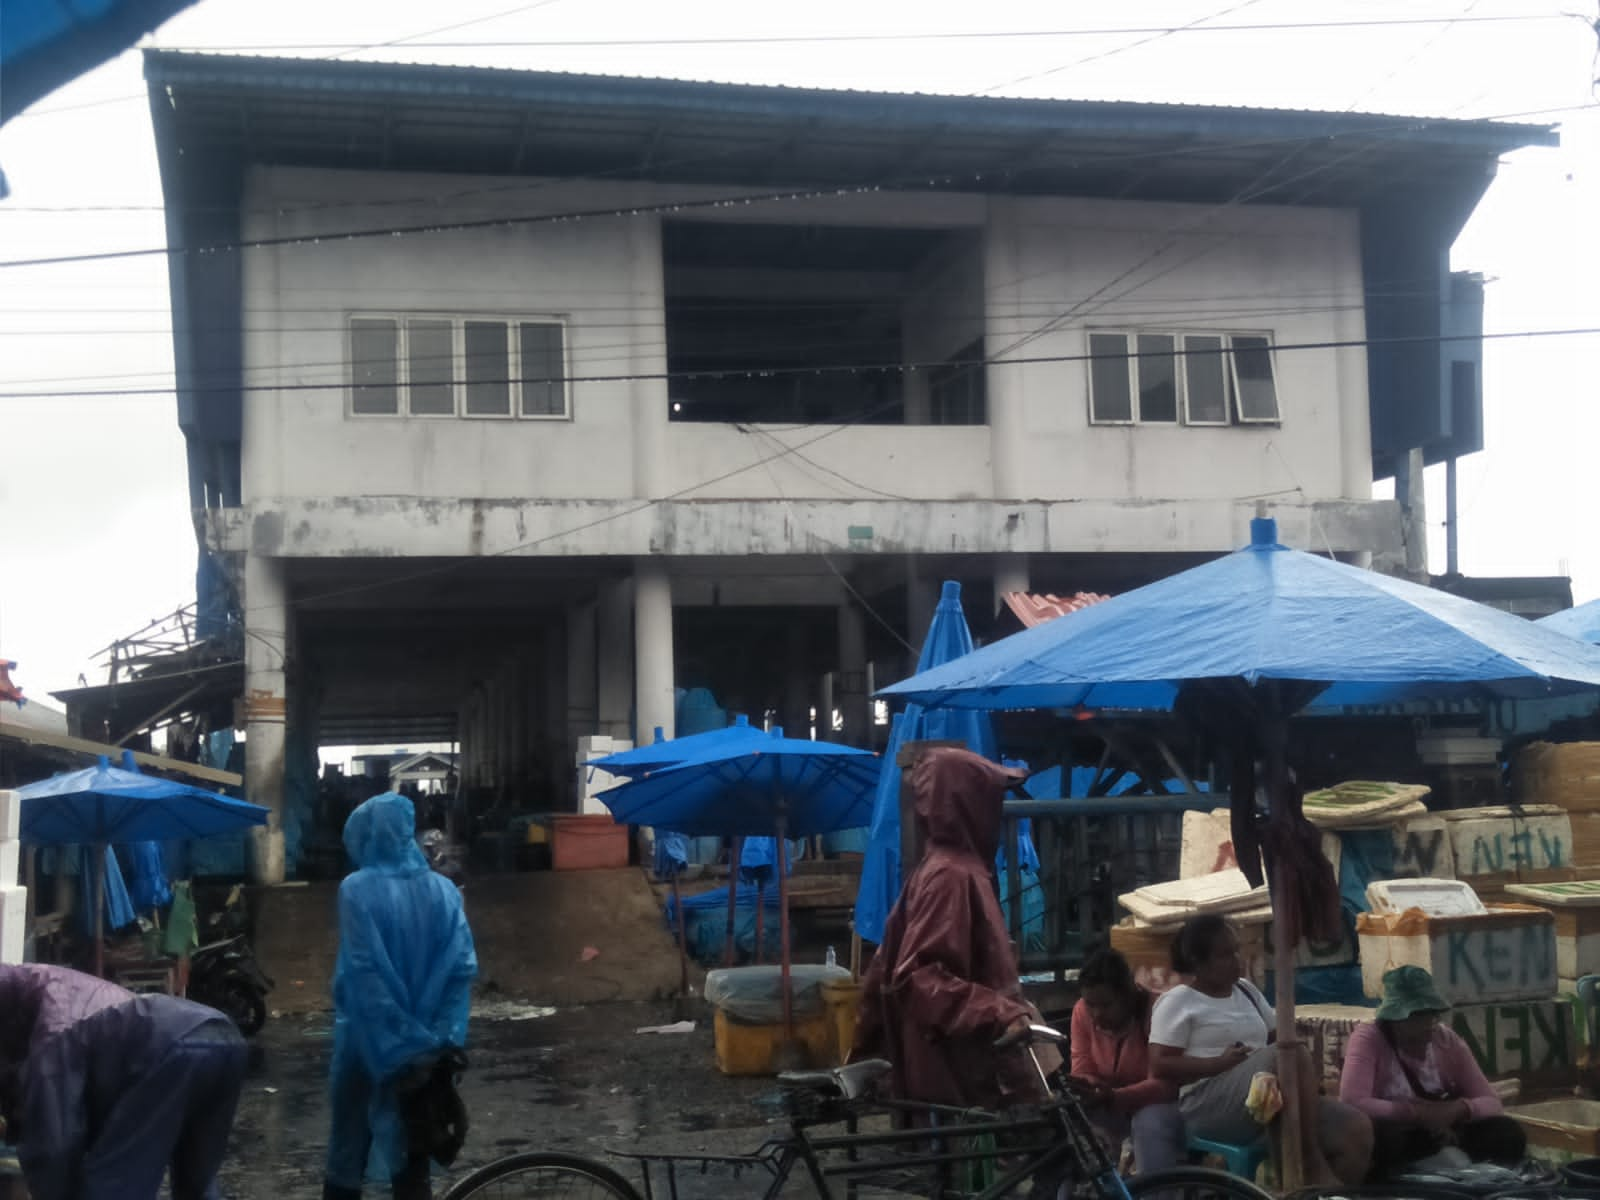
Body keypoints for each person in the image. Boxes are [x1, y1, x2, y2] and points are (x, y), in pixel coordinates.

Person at [852, 747, 1050, 1110]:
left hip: (968, 1056)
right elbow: (918, 977)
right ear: (968, 803)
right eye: (990, 797)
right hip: (963, 1064)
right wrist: (999, 1012)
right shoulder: (952, 876)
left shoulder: (948, 867)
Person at [325, 791, 478, 1200]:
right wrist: (438, 1041)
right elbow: (461, 971)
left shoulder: (356, 889)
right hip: (428, 1044)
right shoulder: (444, 891)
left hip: (364, 1042)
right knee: (413, 1147)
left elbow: (365, 974)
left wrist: (396, 1042)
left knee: (347, 1153)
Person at [1149, 913, 1371, 1188]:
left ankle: (1316, 1194)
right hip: (1209, 1105)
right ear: (1198, 961)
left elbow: (1280, 1037)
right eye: (1225, 955)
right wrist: (1218, 1064)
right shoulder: (1178, 1001)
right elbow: (1161, 1064)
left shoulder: (1246, 991)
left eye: (1236, 951)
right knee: (1283, 1054)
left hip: (1266, 1099)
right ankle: (1310, 1164)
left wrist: (1309, 1084)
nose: (1237, 960)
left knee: (1355, 1129)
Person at [0, 963, 247, 1200]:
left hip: (170, 1044)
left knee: (115, 1184)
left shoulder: (56, 1026)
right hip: (224, 1037)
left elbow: (54, 1143)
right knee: (197, 1183)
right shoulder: (50, 984)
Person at [1339, 965, 1526, 1178]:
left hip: (1445, 1130)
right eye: (1417, 1016)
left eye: (1431, 1014)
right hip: (1396, 1133)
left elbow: (1491, 1102)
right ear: (1396, 1019)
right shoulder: (1368, 1039)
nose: (1427, 1024)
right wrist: (1417, 1114)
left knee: (1507, 1132)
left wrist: (1457, 1110)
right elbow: (1352, 1101)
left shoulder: (1447, 1041)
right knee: (1391, 1139)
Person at [1069, 948, 1182, 1174]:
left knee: (1148, 1122)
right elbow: (1081, 1067)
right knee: (1070, 1125)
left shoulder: (1158, 1012)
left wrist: (1116, 1097)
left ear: (1128, 994)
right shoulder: (1082, 1011)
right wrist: (1090, 1089)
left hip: (1160, 1105)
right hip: (1111, 1104)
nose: (1097, 1014)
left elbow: (1166, 1085)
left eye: (1106, 1005)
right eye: (1091, 1004)